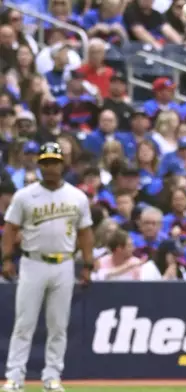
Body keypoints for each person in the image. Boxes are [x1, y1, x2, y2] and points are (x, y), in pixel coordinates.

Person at [1, 142, 94, 392]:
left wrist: (87, 264)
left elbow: (85, 232)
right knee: (24, 323)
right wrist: (7, 258)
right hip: (33, 262)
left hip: (64, 262)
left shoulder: (77, 196)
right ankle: (14, 377)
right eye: (45, 163)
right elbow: (10, 228)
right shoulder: (25, 196)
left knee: (58, 324)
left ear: (63, 164)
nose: (50, 167)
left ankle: (52, 376)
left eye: (54, 162)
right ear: (40, 165)